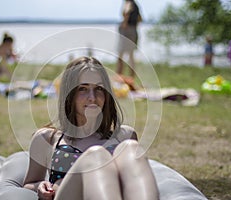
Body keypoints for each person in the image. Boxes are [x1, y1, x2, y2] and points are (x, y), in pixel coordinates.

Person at [23, 56, 159, 200]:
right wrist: (40, 186)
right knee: (95, 155)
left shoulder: (124, 136)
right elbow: (29, 184)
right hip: (67, 195)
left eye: (99, 89)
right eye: (83, 88)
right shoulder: (47, 137)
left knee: (131, 147)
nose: (92, 97)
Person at [116, 0, 142, 78]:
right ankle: (131, 77)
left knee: (120, 55)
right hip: (133, 30)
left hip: (127, 31)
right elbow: (140, 19)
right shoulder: (136, 5)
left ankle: (119, 76)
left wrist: (124, 23)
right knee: (131, 56)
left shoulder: (128, 3)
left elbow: (126, 12)